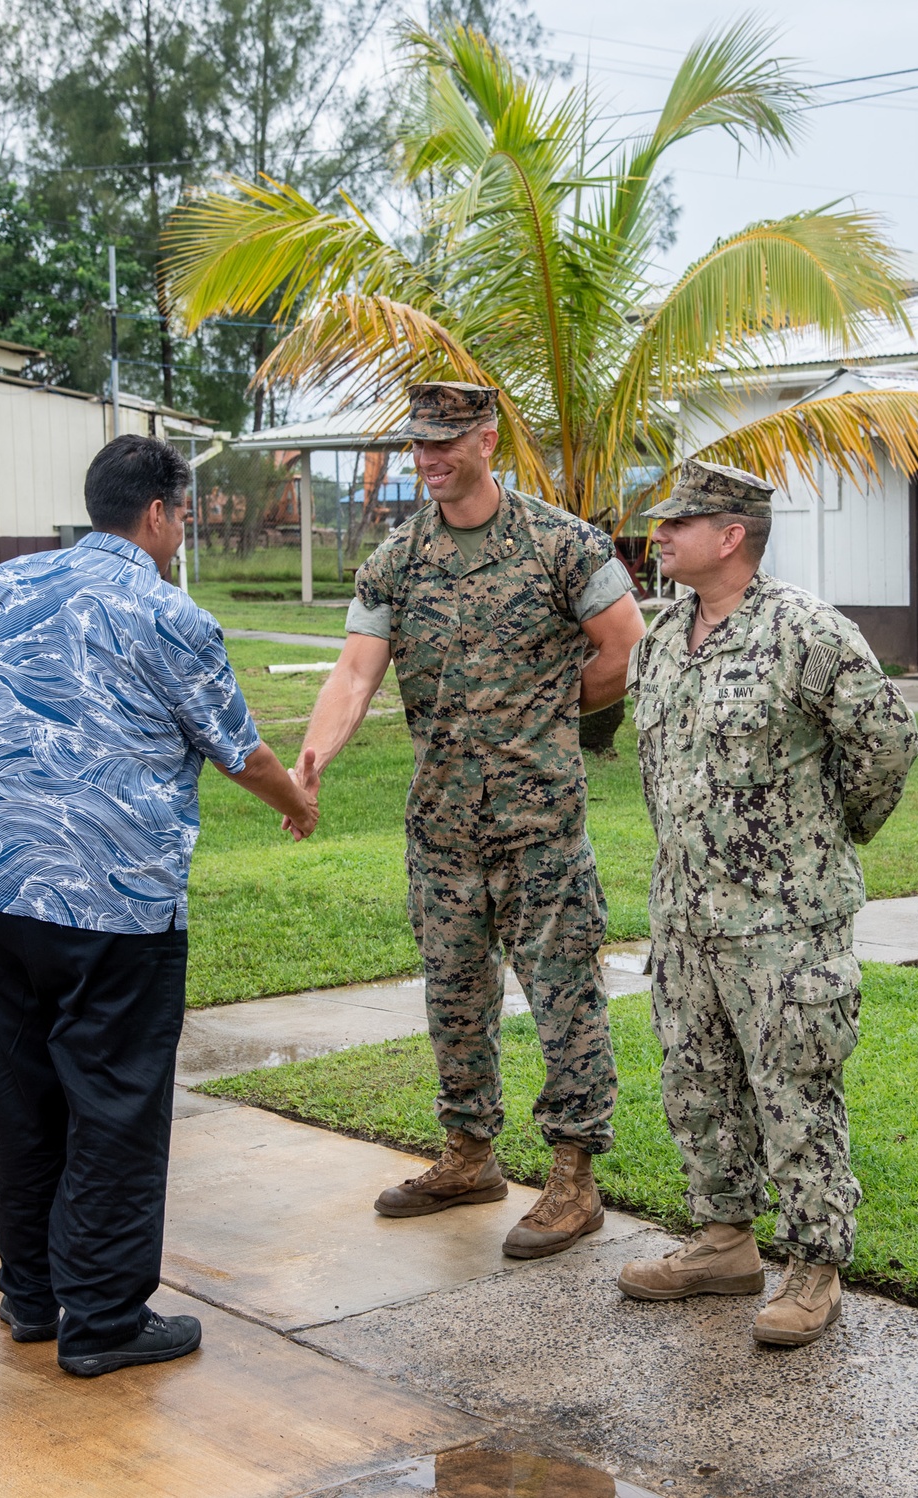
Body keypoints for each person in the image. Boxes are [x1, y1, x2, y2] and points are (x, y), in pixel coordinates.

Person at [0, 435, 319, 1377]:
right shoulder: (169, 614)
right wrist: (299, 805)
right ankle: (103, 1322)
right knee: (113, 1107)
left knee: (21, 1099)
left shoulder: (10, 586)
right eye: (183, 514)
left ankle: (30, 1299)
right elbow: (242, 751)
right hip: (111, 907)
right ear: (156, 513)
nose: (182, 530)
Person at [285, 381, 646, 1258]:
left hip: (538, 822)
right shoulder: (397, 557)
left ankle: (573, 1177)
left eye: (445, 442)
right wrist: (315, 754)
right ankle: (469, 1153)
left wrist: (554, 717)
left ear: (488, 439)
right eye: (418, 445)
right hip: (441, 822)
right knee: (453, 993)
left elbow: (626, 644)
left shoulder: (563, 543)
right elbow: (356, 670)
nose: (428, 458)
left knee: (562, 994)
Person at [617, 458, 918, 1346]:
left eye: (676, 524)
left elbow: (887, 742)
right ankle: (723, 1241)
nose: (658, 536)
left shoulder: (807, 633)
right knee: (697, 1084)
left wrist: (826, 839)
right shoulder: (661, 638)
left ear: (730, 535)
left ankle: (815, 1268)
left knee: (794, 1091)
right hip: (685, 916)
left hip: (785, 924)